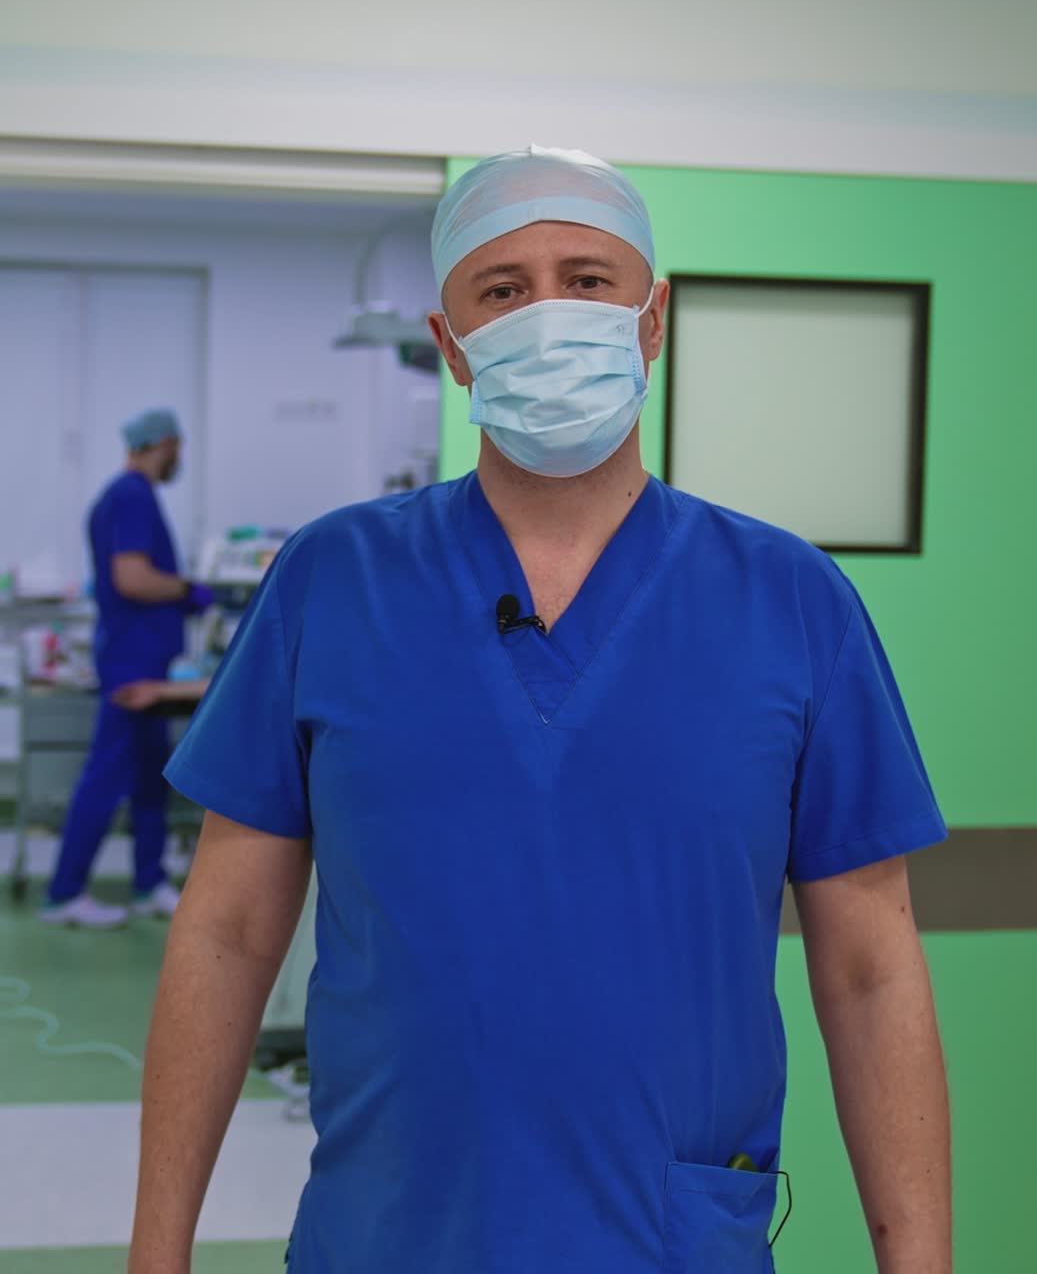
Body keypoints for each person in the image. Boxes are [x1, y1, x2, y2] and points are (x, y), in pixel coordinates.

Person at [130, 148, 951, 1273]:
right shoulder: (333, 583)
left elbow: (870, 968)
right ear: (452, 345)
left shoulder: (789, 601)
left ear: (652, 322)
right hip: (387, 1237)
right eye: (503, 290)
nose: (547, 314)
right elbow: (225, 934)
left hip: (665, 1243)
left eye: (588, 278)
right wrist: (156, 1247)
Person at [42, 409, 213, 929]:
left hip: (143, 655)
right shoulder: (132, 496)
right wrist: (188, 590)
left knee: (147, 779)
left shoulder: (123, 498)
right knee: (106, 775)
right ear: (162, 443)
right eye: (178, 447)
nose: (178, 458)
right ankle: (65, 893)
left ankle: (148, 884)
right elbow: (133, 578)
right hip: (133, 663)